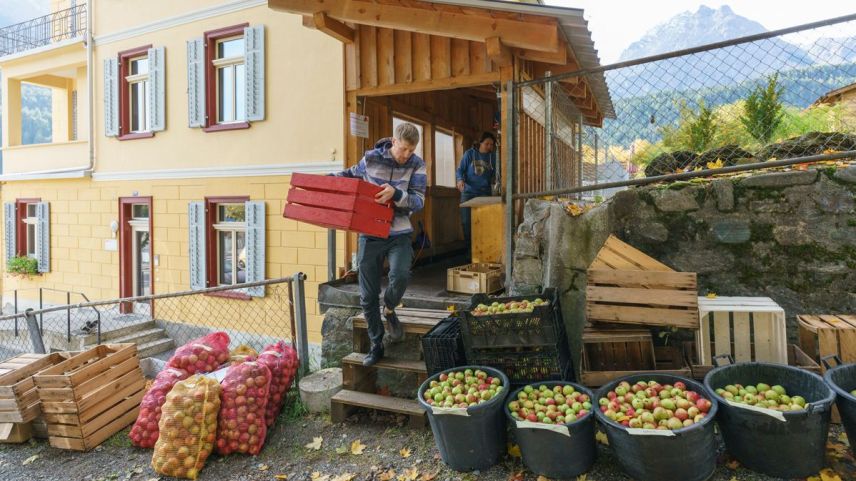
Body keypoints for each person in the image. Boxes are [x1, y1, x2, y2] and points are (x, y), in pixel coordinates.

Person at [333, 122, 427, 366]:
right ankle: (376, 345)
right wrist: (324, 181)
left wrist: (396, 194)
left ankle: (390, 308)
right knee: (367, 295)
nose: (407, 154)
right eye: (403, 148)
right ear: (393, 142)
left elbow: (419, 201)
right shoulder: (371, 159)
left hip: (400, 233)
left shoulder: (417, 165)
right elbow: (349, 176)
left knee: (401, 275)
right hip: (370, 233)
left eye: (411, 150)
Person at [456, 132, 497, 246]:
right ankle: (469, 249)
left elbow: (497, 174)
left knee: (484, 222)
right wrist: (459, 180)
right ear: (480, 143)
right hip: (468, 192)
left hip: (485, 193)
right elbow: (460, 170)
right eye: (487, 144)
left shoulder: (493, 157)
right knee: (466, 222)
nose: (489, 146)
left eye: (491, 144)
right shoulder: (469, 154)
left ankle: (482, 249)